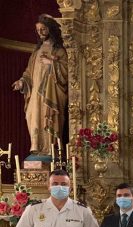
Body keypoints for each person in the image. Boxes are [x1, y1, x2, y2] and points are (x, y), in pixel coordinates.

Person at [11, 15, 68, 156]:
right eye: (38, 30)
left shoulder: (59, 51)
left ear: (50, 29)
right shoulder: (35, 53)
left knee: (47, 118)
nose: (40, 32)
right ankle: (36, 147)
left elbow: (67, 72)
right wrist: (22, 82)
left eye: (43, 29)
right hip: (35, 94)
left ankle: (49, 150)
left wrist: (52, 63)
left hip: (51, 94)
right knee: (33, 117)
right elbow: (28, 73)